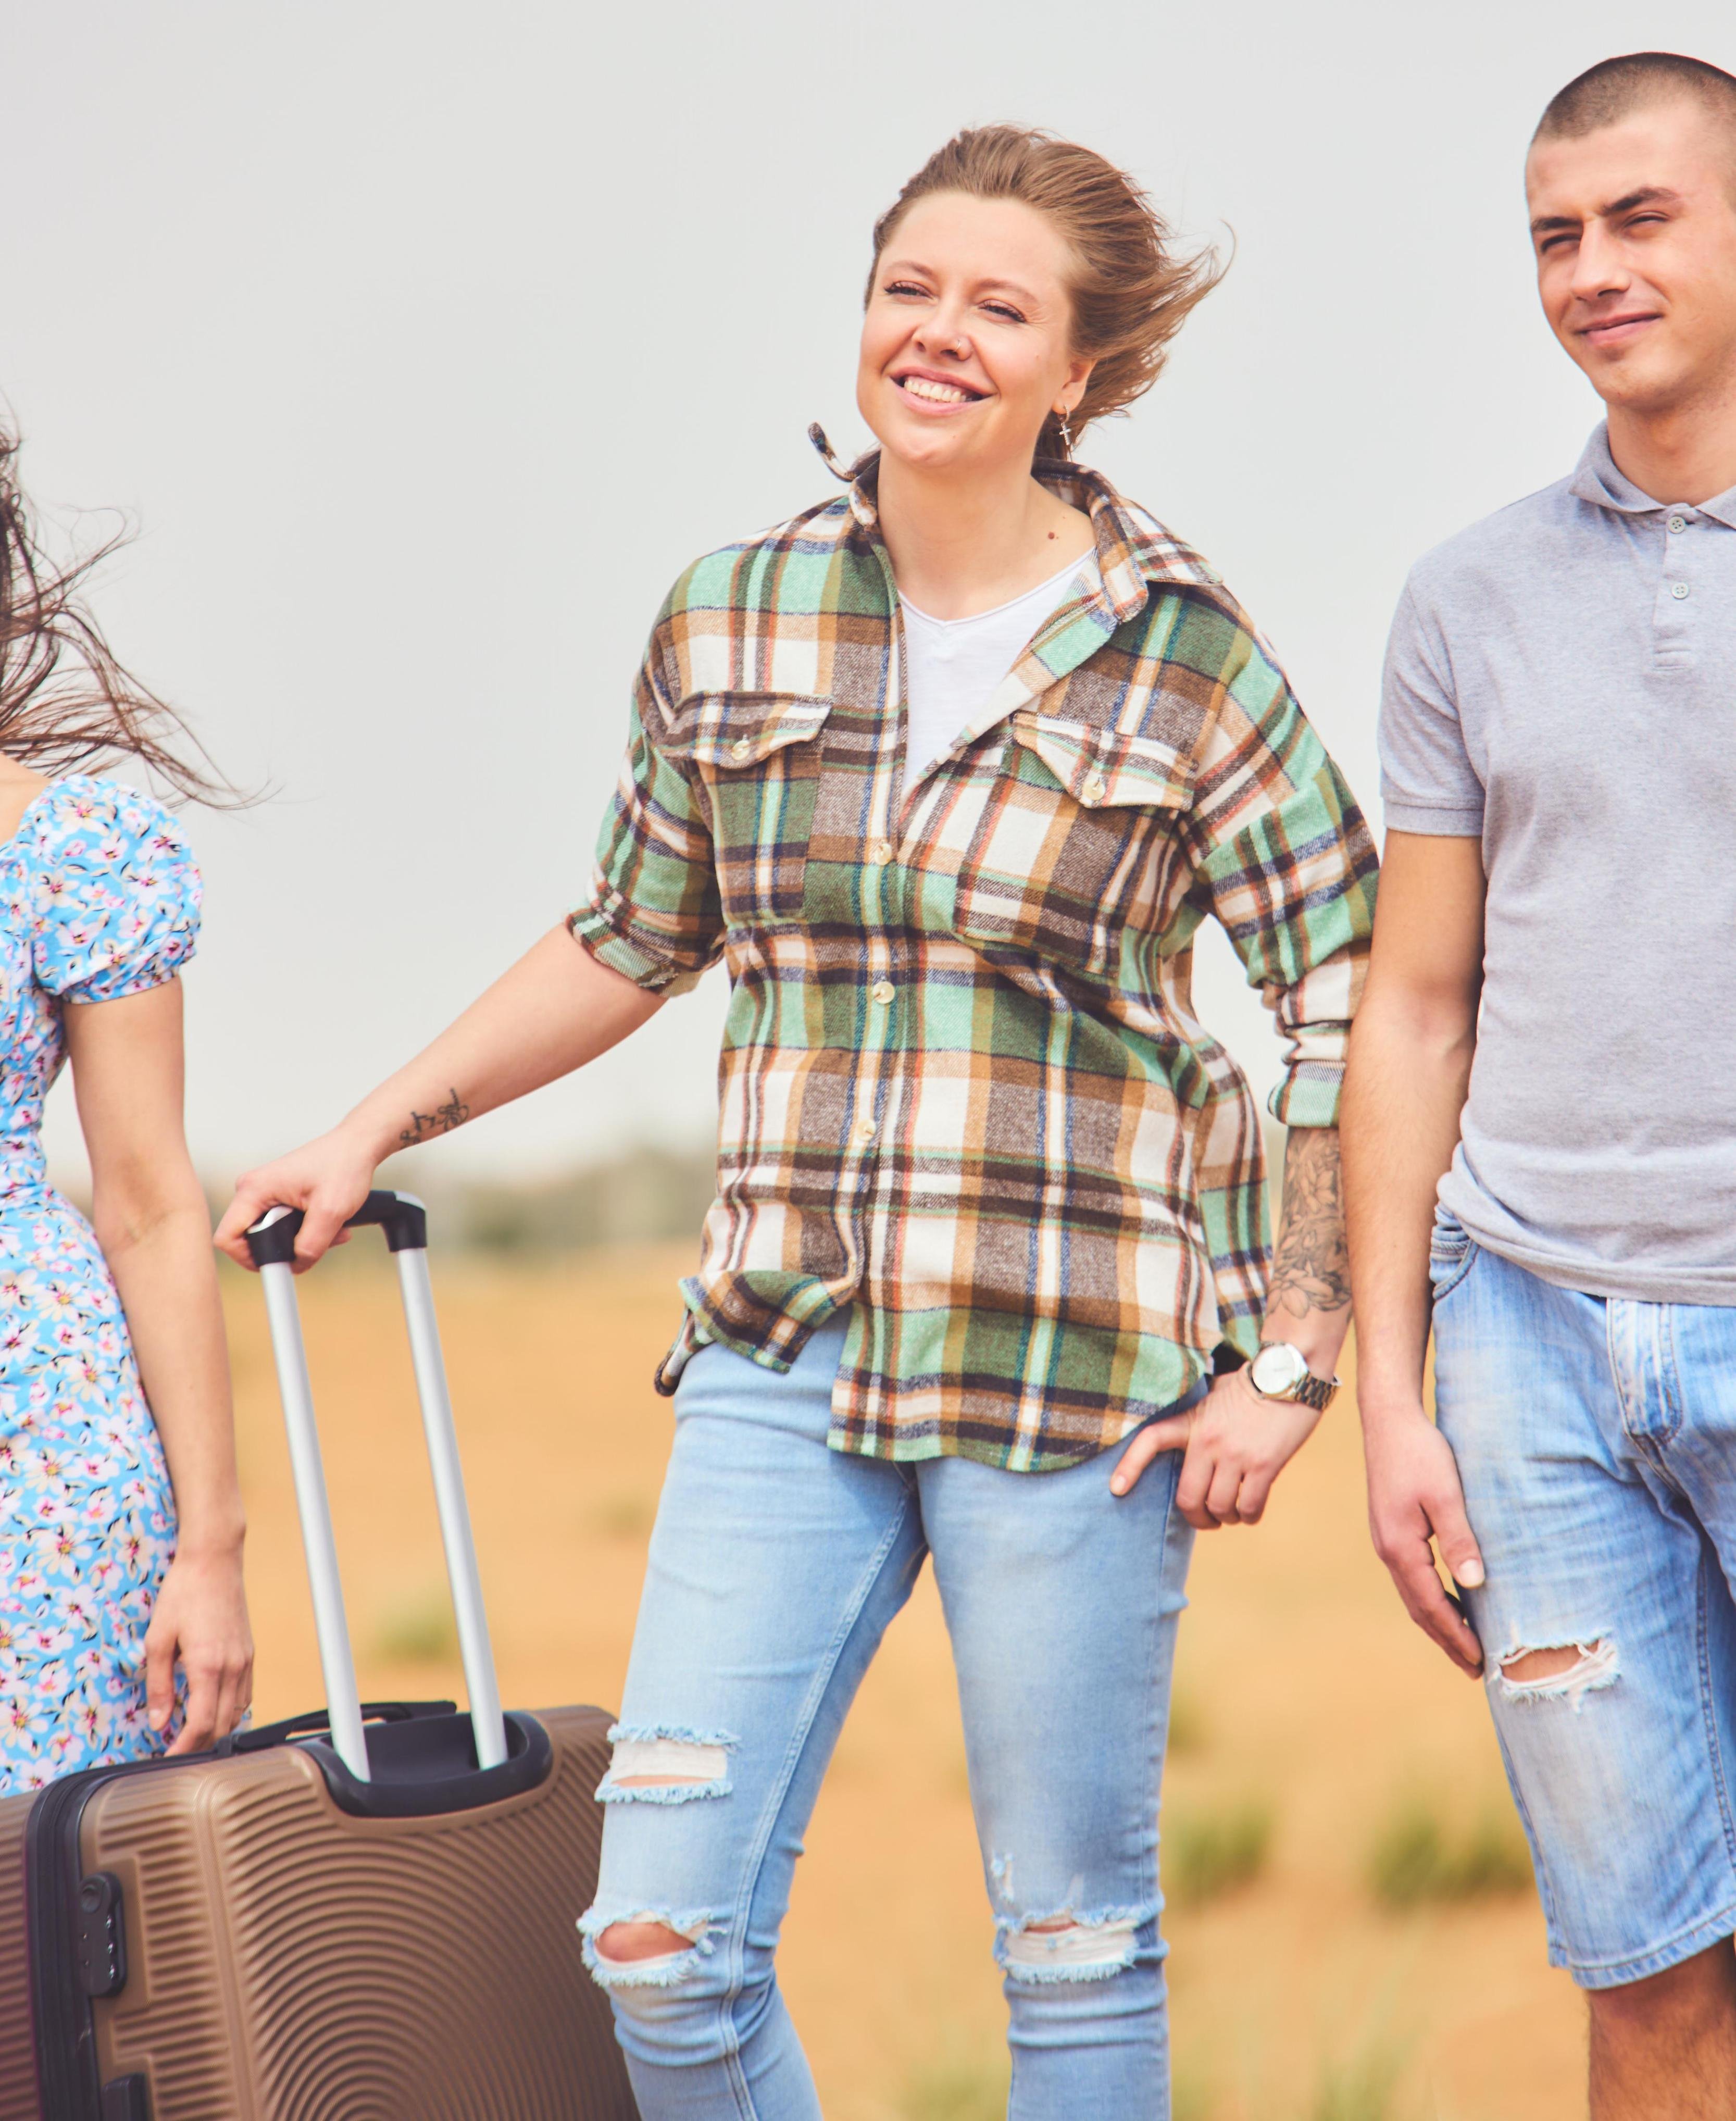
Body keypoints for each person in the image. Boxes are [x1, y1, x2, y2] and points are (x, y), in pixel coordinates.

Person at [218, 124, 1376, 2121]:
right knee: (658, 1947)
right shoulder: (732, 615)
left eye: (999, 307)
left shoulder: (1195, 665)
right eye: (908, 286)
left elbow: (1350, 1003)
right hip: (781, 1345)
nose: (938, 335)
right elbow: (630, 933)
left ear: (1078, 371)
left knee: (1073, 1951)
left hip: (1074, 1365)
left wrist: (1293, 1355)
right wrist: (370, 1126)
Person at [1344, 51, 1736, 2120]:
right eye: (1556, 236)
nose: (1592, 271)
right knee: (1646, 1966)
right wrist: (1403, 1393)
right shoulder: (1466, 598)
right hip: (1538, 1355)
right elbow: (1414, 1007)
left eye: (1642, 217)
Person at [0, 429, 252, 1791]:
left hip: (39, 1460)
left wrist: (210, 1549)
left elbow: (152, 1205)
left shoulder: (69, 850)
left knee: (49, 1942)